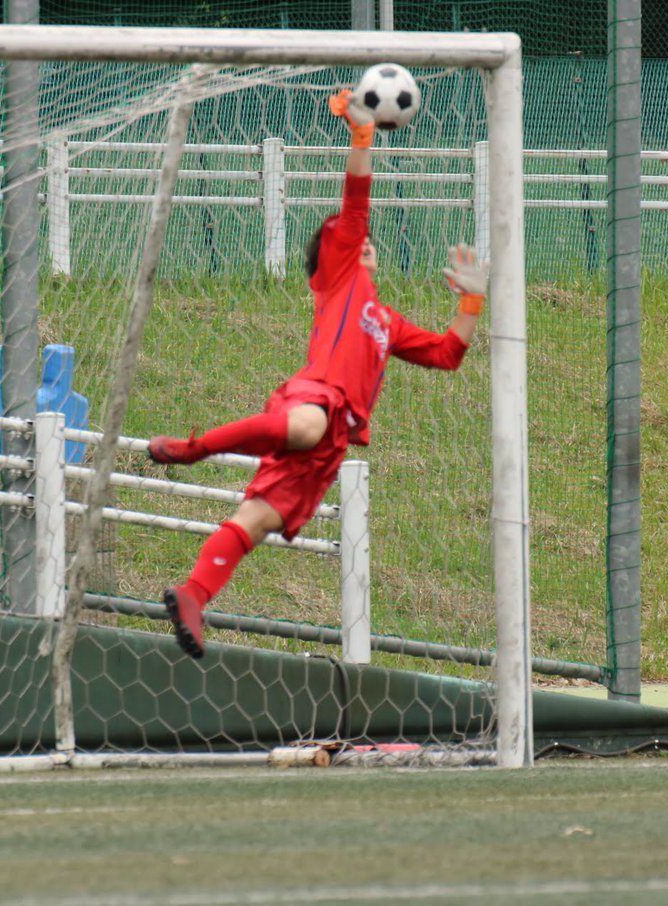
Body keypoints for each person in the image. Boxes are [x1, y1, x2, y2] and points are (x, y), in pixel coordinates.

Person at [146, 88, 488, 659]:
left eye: (366, 244)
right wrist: (362, 131)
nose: (364, 243)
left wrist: (472, 302)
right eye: (355, 242)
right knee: (303, 426)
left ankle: (192, 596)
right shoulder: (338, 280)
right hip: (314, 400)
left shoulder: (387, 320)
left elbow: (449, 353)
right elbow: (356, 203)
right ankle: (195, 448)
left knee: (256, 521)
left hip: (334, 439)